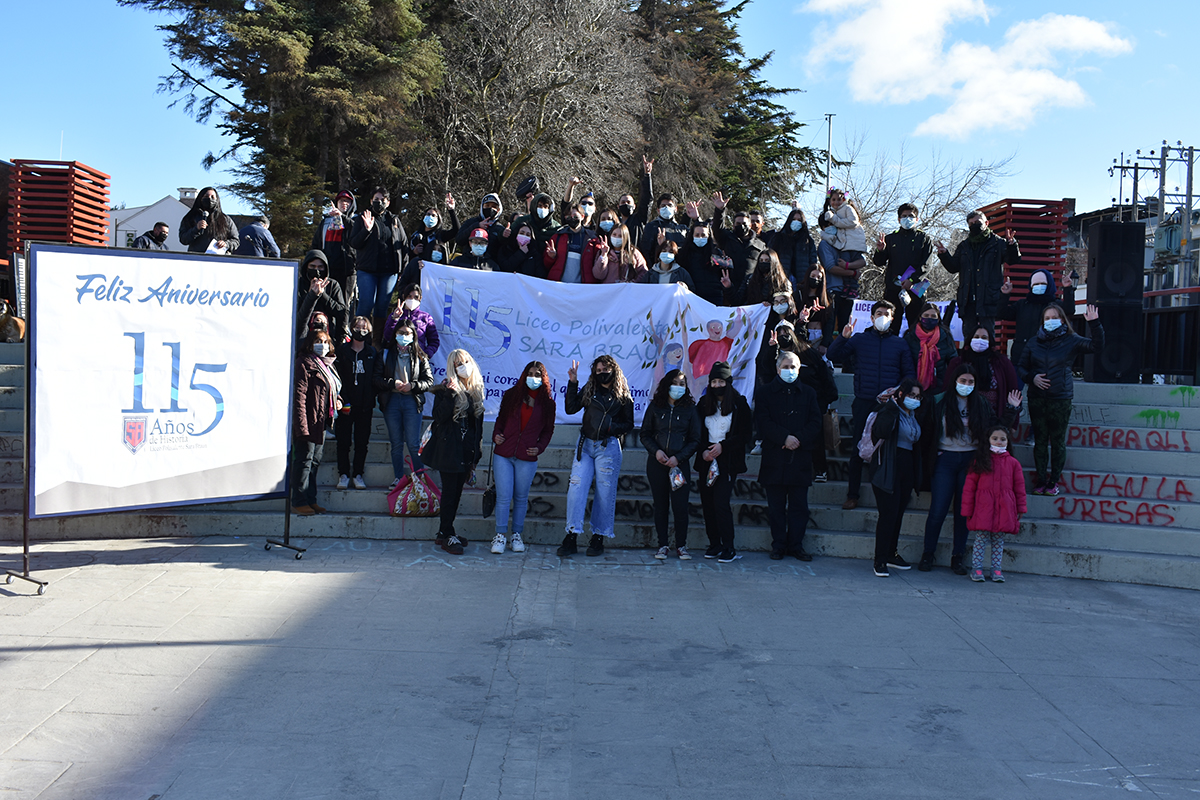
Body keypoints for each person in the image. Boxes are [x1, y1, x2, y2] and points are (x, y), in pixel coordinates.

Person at [919, 363, 1022, 574]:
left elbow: (996, 429)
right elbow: (927, 431)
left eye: (970, 382)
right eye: (963, 381)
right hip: (944, 458)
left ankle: (958, 557)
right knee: (938, 510)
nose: (966, 385)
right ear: (955, 380)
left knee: (962, 512)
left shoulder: (981, 403)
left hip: (971, 461)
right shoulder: (939, 401)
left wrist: (1012, 408)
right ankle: (928, 554)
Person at [826, 300, 916, 510]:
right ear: (872, 317)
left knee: (889, 450)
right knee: (859, 448)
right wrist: (842, 337)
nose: (883, 316)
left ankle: (888, 494)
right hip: (864, 402)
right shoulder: (859, 339)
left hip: (890, 405)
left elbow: (909, 374)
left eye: (887, 312)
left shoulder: (900, 343)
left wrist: (897, 393)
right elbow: (832, 355)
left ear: (892, 318)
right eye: (879, 312)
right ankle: (852, 494)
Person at [1018, 302, 1103, 496]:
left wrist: (1095, 324)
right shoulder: (1033, 342)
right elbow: (1021, 367)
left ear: (1062, 319)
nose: (1050, 321)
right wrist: (1032, 378)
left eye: (1054, 317)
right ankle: (1040, 480)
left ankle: (1053, 481)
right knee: (1040, 441)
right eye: (1047, 318)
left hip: (1060, 398)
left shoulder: (1071, 340)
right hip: (1037, 398)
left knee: (1057, 442)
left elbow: (1096, 346)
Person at [559, 356, 636, 558]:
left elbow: (628, 424)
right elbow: (570, 408)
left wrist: (611, 428)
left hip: (608, 446)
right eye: (598, 369)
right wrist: (573, 382)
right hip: (585, 445)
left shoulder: (623, 396)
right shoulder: (589, 389)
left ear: (614, 370)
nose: (602, 372)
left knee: (605, 493)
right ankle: (571, 535)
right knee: (576, 487)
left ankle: (598, 537)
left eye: (605, 369)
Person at [755, 351, 823, 560]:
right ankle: (778, 545)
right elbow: (763, 421)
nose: (789, 371)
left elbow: (815, 422)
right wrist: (783, 438)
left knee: (799, 507)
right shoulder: (765, 392)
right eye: (785, 366)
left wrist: (798, 439)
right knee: (776, 507)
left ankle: (796, 545)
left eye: (793, 367)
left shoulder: (809, 393)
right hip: (775, 456)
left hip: (800, 457)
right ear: (777, 369)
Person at [757, 320, 838, 482]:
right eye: (779, 334)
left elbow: (825, 376)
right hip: (781, 405)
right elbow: (765, 373)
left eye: (786, 333)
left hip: (810, 403)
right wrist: (771, 350)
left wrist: (826, 399)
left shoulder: (808, 353)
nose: (783, 337)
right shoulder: (773, 355)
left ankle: (820, 469)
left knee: (814, 436)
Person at [422, 349, 485, 556]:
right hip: (449, 450)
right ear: (452, 367)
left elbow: (478, 427)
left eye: (466, 361)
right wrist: (449, 394)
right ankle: (446, 532)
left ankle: (445, 531)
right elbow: (439, 417)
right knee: (449, 493)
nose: (463, 366)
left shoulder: (476, 390)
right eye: (458, 364)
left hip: (466, 451)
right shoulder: (444, 390)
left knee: (457, 492)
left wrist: (477, 454)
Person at [490, 362, 557, 554]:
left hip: (526, 457)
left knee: (520, 497)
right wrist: (497, 435)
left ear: (543, 378)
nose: (533, 377)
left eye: (537, 374)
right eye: (530, 373)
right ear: (523, 375)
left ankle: (516, 535)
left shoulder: (548, 404)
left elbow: (548, 430)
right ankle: (500, 535)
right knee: (503, 497)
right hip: (504, 453)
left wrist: (540, 447)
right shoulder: (511, 395)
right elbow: (500, 421)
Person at [640, 369, 703, 560]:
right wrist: (656, 451)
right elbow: (645, 434)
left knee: (680, 507)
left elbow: (695, 439)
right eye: (674, 382)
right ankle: (663, 545)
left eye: (682, 383)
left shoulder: (690, 409)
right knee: (661, 506)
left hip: (678, 466)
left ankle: (681, 545)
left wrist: (679, 458)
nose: (678, 387)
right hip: (657, 464)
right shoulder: (655, 407)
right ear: (667, 384)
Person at [694, 362, 753, 561]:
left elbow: (745, 434)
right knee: (708, 503)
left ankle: (729, 547)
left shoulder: (739, 403)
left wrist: (723, 447)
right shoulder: (703, 404)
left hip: (727, 461)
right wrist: (703, 451)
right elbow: (696, 433)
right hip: (706, 460)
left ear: (728, 383)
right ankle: (714, 544)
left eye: (721, 381)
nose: (717, 385)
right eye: (713, 381)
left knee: (721, 503)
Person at [935, 209, 1021, 337]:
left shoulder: (998, 243)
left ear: (986, 223)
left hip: (988, 300)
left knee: (988, 337)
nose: (974, 225)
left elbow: (1013, 260)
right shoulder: (964, 246)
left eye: (977, 222)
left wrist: (1012, 245)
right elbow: (953, 267)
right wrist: (944, 255)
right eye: (971, 224)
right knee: (969, 337)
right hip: (968, 301)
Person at [868, 378, 923, 576]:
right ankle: (879, 559)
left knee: (897, 514)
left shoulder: (913, 415)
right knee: (888, 515)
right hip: (888, 467)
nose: (914, 399)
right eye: (911, 395)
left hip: (906, 467)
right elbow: (880, 432)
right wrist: (891, 407)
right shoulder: (889, 410)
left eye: (917, 396)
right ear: (901, 395)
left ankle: (891, 553)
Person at [373, 318, 435, 491]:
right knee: (396, 443)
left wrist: (412, 386)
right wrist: (393, 384)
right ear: (395, 334)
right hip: (391, 401)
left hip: (411, 401)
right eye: (400, 333)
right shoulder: (385, 354)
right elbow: (376, 379)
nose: (404, 336)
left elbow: (428, 381)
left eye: (407, 333)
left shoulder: (420, 356)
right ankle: (398, 478)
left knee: (414, 443)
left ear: (413, 335)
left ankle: (420, 479)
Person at [961, 425, 1026, 582]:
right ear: (988, 440)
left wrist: (1021, 507)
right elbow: (969, 488)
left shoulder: (1013, 463)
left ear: (1008, 441)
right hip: (984, 507)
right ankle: (977, 568)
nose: (998, 442)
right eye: (995, 438)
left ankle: (996, 569)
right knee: (981, 539)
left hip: (1004, 508)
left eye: (1002, 439)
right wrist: (967, 510)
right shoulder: (980, 461)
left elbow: (1019, 487)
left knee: (998, 540)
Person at [350, 187, 409, 344]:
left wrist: (403, 269)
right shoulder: (362, 217)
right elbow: (354, 242)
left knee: (382, 307)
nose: (379, 202)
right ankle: (358, 338)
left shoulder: (394, 221)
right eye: (376, 199)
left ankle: (377, 343)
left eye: (383, 200)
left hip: (389, 271)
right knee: (366, 303)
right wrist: (366, 230)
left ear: (388, 202)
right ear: (371, 201)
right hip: (367, 270)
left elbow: (403, 245)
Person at [292, 329, 340, 516]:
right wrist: (301, 426)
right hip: (308, 420)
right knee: (304, 461)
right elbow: (300, 397)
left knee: (314, 462)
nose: (323, 345)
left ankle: (311, 499)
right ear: (310, 344)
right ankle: (299, 500)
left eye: (326, 341)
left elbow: (333, 389)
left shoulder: (327, 364)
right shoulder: (304, 363)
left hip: (321, 421)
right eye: (319, 341)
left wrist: (338, 400)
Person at [998, 268, 1076, 376]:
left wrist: (1067, 289)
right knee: (1017, 390)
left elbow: (1069, 310)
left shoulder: (1054, 305)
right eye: (1036, 284)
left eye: (1043, 283)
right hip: (1021, 357)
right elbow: (1002, 314)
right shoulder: (1022, 305)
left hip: (1046, 358)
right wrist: (1005, 295)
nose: (1039, 286)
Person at [873, 203, 936, 335]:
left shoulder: (924, 238)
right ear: (899, 219)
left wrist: (912, 280)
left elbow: (927, 264)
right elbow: (879, 262)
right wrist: (880, 250)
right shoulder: (890, 238)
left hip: (916, 288)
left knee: (916, 325)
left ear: (917, 219)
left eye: (911, 216)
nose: (907, 219)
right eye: (904, 216)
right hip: (893, 288)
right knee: (891, 325)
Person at [334, 317, 377, 491]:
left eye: (364, 328)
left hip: (365, 406)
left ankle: (358, 474)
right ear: (351, 329)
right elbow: (338, 378)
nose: (361, 330)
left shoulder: (372, 352)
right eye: (357, 327)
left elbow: (375, 378)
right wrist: (343, 400)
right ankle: (343, 474)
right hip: (346, 404)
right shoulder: (342, 351)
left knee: (362, 442)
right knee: (343, 441)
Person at [944, 326, 1020, 423]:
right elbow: (946, 390)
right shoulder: (958, 362)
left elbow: (1014, 393)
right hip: (962, 420)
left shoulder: (1002, 362)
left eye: (984, 337)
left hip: (994, 421)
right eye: (976, 337)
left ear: (990, 341)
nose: (980, 340)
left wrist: (1013, 423)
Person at [818, 188, 866, 336]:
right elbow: (831, 267)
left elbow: (862, 262)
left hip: (847, 291)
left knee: (845, 324)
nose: (833, 228)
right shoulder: (825, 245)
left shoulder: (843, 242)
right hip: (833, 290)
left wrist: (850, 266)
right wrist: (852, 272)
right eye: (829, 226)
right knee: (831, 325)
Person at [710, 192, 767, 290]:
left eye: (744, 223)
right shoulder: (727, 239)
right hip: (729, 287)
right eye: (738, 223)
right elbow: (717, 228)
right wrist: (720, 210)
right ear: (733, 225)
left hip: (751, 288)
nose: (741, 226)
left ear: (750, 225)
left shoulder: (760, 245)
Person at [296, 250, 350, 344]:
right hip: (303, 335)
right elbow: (295, 311)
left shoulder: (332, 285)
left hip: (328, 335)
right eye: (312, 266)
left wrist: (322, 294)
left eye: (320, 267)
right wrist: (310, 295)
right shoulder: (298, 284)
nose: (317, 270)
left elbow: (342, 312)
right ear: (306, 267)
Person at [311, 190, 357, 299]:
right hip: (327, 268)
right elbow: (316, 243)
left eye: (347, 201)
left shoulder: (356, 220)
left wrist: (342, 217)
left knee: (344, 301)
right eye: (341, 201)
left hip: (347, 269)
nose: (344, 203)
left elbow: (358, 232)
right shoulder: (326, 221)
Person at [406, 194, 460, 278]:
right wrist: (414, 252)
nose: (430, 217)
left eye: (433, 215)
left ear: (438, 220)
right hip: (418, 272)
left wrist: (451, 210)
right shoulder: (416, 236)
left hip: (436, 272)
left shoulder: (440, 235)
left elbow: (457, 230)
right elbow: (406, 255)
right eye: (428, 214)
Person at [544, 205, 600, 282]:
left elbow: (598, 267)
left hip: (582, 288)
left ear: (582, 216)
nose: (572, 219)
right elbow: (546, 264)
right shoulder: (557, 237)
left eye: (575, 216)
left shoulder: (592, 239)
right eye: (569, 217)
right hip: (558, 286)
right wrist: (551, 257)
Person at [382, 283, 440, 356]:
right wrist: (394, 319)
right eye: (409, 296)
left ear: (420, 298)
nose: (412, 299)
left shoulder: (426, 317)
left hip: (417, 359)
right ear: (404, 297)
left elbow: (434, 341)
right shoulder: (395, 315)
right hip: (396, 358)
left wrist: (425, 355)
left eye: (416, 297)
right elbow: (387, 336)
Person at [179, 187, 238, 254]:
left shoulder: (226, 219)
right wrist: (196, 229)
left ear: (217, 200)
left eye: (212, 197)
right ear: (200, 199)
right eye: (206, 196)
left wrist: (226, 244)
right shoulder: (190, 218)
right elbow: (183, 239)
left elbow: (235, 241)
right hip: (197, 259)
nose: (209, 199)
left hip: (219, 260)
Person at [724, 248, 789, 307]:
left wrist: (771, 304)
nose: (763, 263)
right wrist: (729, 287)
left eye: (767, 260)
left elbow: (786, 304)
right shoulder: (750, 279)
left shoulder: (782, 282)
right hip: (754, 316)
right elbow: (737, 301)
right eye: (761, 260)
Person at [592, 215, 648, 283]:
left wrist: (632, 283)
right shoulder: (603, 252)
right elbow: (598, 275)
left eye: (620, 236)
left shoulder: (634, 253)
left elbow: (643, 272)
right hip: (609, 291)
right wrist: (603, 256)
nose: (617, 238)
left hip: (628, 291)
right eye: (614, 235)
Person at [638, 191, 689, 265]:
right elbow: (646, 251)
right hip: (658, 270)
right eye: (663, 206)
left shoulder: (682, 229)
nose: (666, 208)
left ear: (675, 209)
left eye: (670, 205)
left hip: (679, 270)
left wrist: (696, 218)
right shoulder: (651, 227)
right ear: (658, 210)